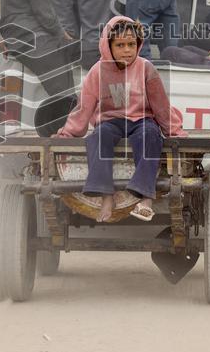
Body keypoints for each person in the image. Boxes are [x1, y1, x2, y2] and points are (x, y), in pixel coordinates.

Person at [55, 16, 185, 222]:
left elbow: (161, 106)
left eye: (132, 44)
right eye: (120, 45)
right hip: (110, 121)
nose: (127, 50)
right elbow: (84, 107)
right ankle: (107, 196)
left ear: (138, 44)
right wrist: (68, 133)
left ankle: (145, 199)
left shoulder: (146, 68)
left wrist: (174, 132)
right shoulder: (98, 71)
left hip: (142, 120)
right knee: (98, 137)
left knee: (151, 136)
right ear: (108, 46)